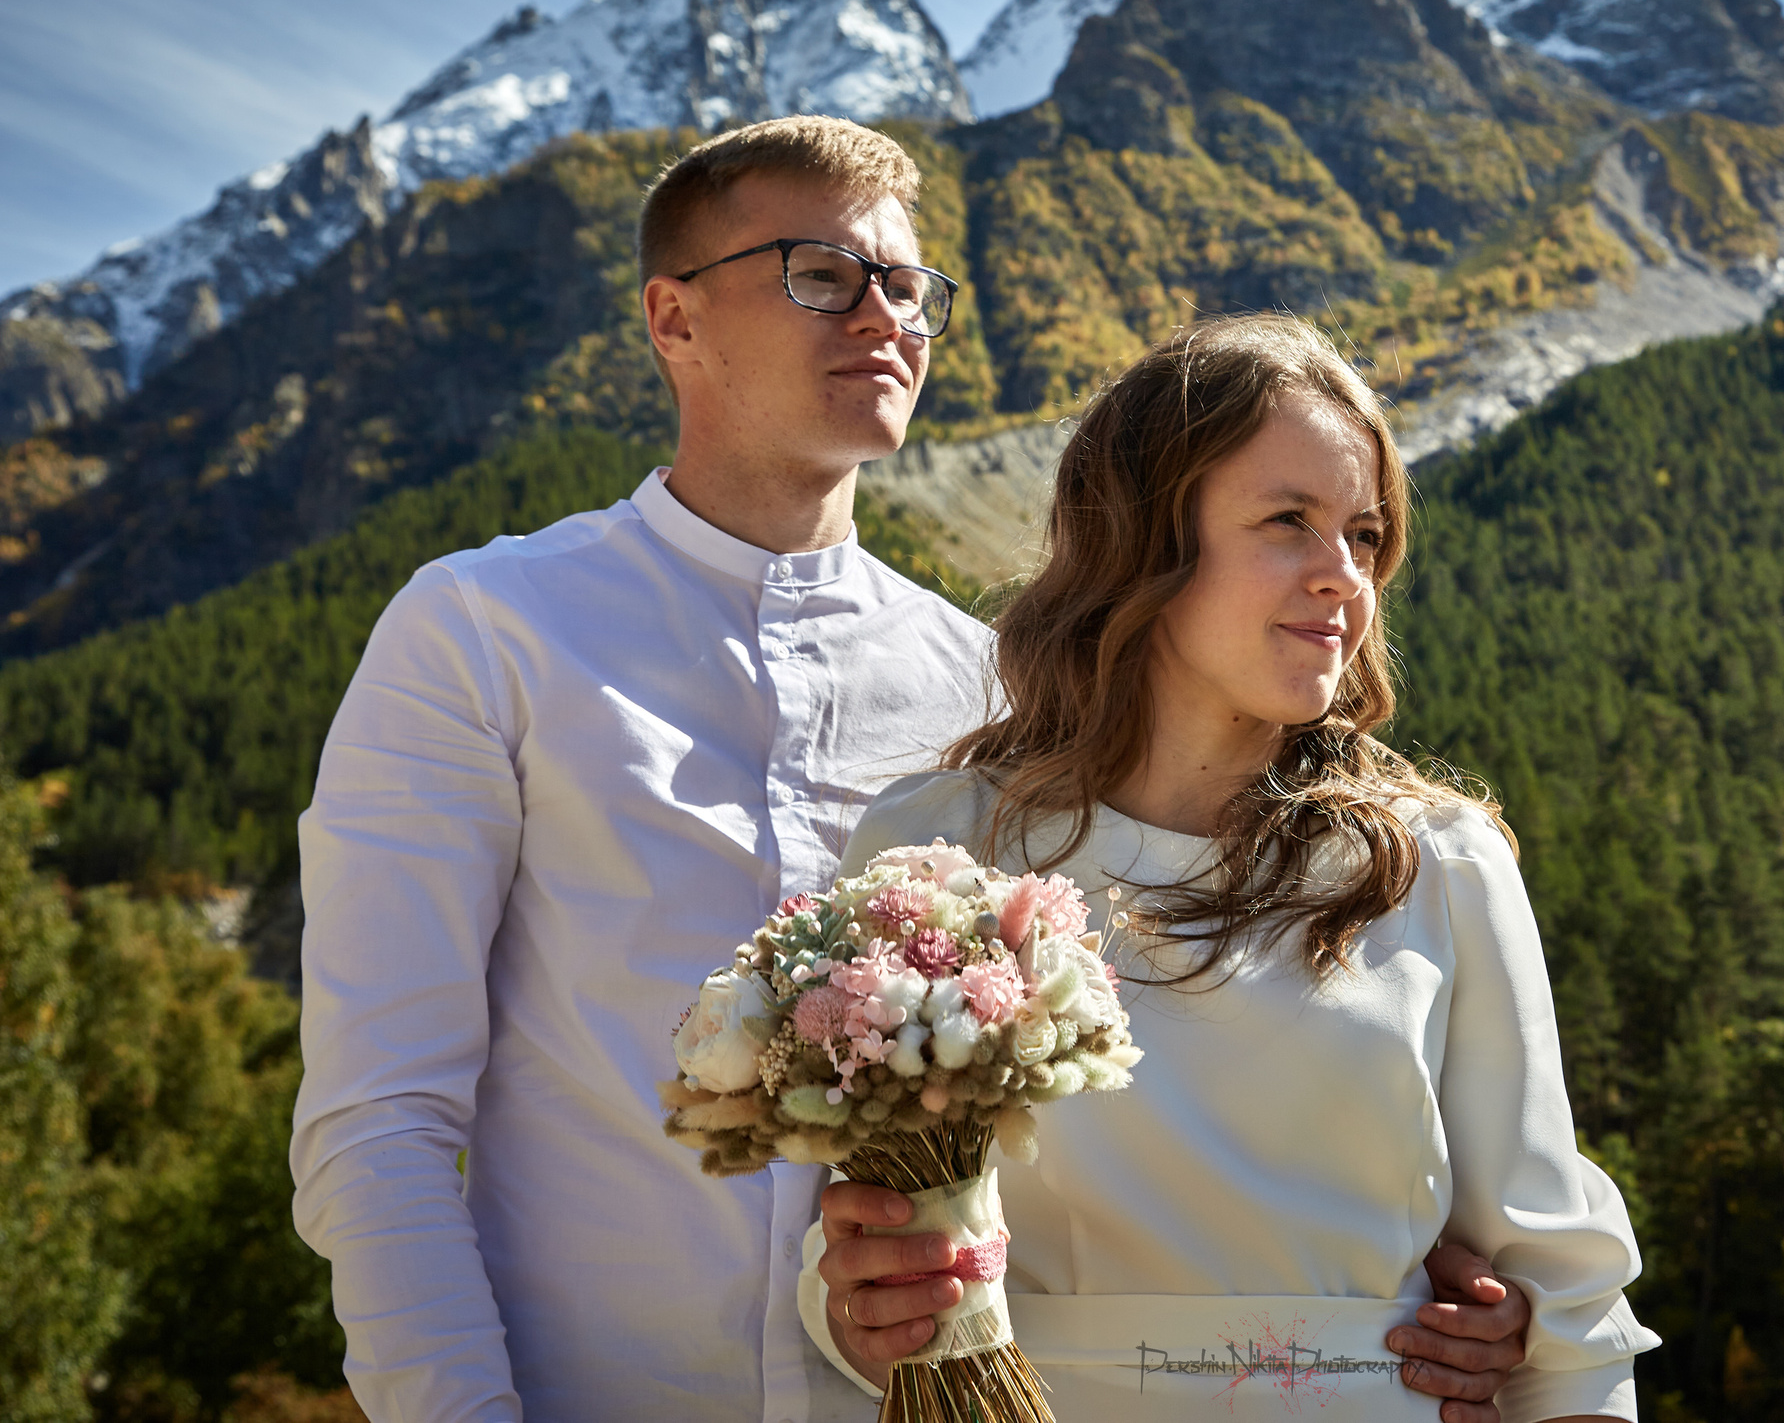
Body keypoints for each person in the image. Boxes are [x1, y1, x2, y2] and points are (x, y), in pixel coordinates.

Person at [289, 117, 1530, 1421]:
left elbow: (1172, 1082)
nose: (885, 315)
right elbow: (381, 1124)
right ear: (673, 318)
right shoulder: (483, 631)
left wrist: (1397, 1278)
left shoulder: (998, 692)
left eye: (909, 285)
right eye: (821, 274)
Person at [804, 315, 1658, 1420]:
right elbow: (853, 1263)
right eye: (1288, 523)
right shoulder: (937, 850)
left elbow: (1564, 1301)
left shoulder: (1436, 863)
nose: (1341, 578)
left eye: (1362, 533)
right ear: (1142, 544)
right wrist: (856, 1317)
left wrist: (1516, 1330)